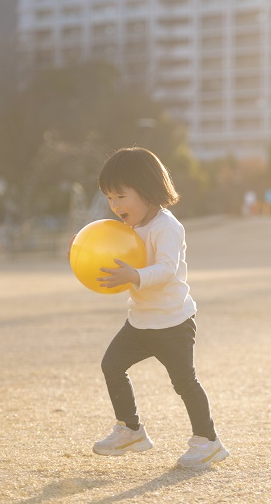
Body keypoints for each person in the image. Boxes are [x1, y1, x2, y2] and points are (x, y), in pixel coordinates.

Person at [90, 147, 228, 469]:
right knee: (112, 365)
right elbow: (107, 251)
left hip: (172, 323)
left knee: (184, 383)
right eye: (110, 198)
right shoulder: (130, 228)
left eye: (121, 196)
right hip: (140, 322)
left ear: (148, 189)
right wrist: (81, 249)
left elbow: (167, 268)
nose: (115, 205)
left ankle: (208, 441)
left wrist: (135, 275)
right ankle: (131, 430)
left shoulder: (167, 227)